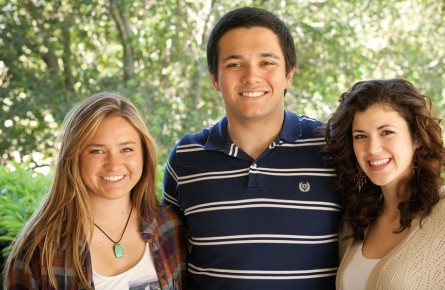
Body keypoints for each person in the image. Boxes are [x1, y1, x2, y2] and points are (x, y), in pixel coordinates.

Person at [162, 6, 341, 290]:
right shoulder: (186, 159)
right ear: (214, 78)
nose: (251, 76)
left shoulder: (332, 148)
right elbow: (166, 258)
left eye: (267, 62)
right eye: (235, 64)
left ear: (289, 74)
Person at [324, 78, 445, 290]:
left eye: (386, 132)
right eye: (360, 136)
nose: (372, 148)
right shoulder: (355, 220)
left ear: (416, 137)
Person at [3, 93, 186, 289]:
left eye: (126, 149)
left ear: (144, 154)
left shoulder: (169, 227)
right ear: (74, 158)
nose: (114, 165)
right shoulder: (40, 249)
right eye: (97, 151)